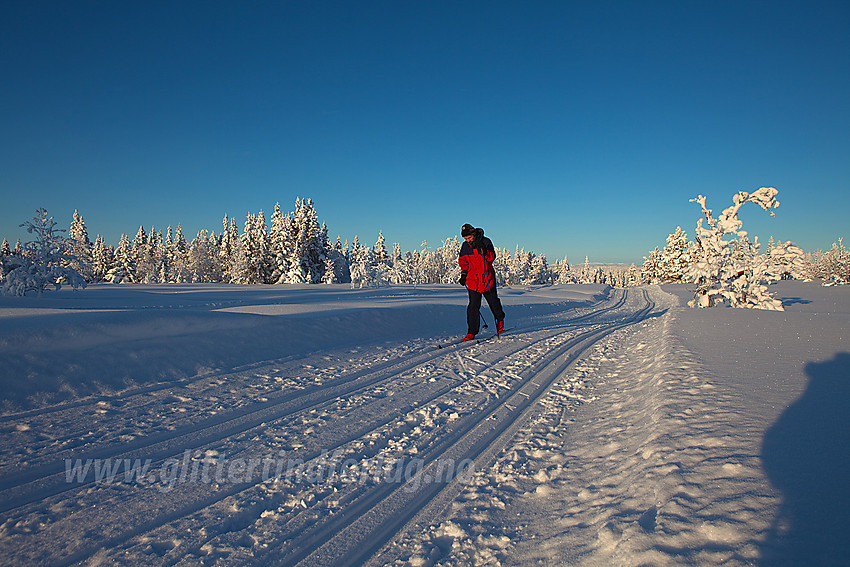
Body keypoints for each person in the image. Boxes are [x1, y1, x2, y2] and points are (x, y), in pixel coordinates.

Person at [458, 223, 505, 341]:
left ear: (473, 234)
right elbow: (463, 261)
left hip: (487, 279)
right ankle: (471, 332)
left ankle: (500, 320)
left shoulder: (486, 242)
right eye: (465, 238)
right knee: (473, 307)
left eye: (469, 238)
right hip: (473, 281)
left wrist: (483, 250)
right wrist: (464, 274)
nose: (468, 240)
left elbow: (491, 258)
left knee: (494, 303)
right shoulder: (465, 247)